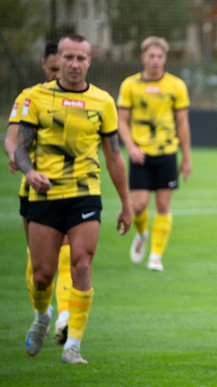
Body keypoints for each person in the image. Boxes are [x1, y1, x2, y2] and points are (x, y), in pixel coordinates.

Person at [15, 34, 132, 364]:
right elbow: (21, 146)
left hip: (85, 194)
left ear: (89, 61)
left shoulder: (103, 102)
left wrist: (126, 204)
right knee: (42, 275)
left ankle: (73, 346)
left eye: (81, 58)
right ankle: (41, 317)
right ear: (57, 60)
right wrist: (29, 173)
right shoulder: (37, 97)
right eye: (68, 58)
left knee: (81, 265)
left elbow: (113, 157)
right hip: (45, 194)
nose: (74, 64)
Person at [4, 41, 73, 347]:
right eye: (55, 67)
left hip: (74, 191)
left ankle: (66, 317)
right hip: (33, 192)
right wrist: (20, 160)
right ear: (45, 66)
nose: (62, 72)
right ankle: (42, 314)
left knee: (73, 258)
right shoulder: (30, 98)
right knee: (40, 265)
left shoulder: (86, 100)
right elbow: (12, 140)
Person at [117, 36, 192, 271]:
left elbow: (182, 124)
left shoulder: (176, 86)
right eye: (151, 56)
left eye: (160, 56)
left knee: (162, 205)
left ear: (165, 59)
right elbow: (122, 121)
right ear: (143, 58)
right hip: (139, 154)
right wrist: (130, 147)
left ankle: (155, 256)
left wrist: (186, 157)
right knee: (138, 206)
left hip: (167, 153)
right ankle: (141, 234)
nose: (155, 60)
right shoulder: (130, 85)